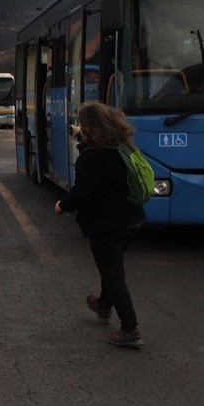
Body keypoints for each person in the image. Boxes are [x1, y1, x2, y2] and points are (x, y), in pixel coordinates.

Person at [55, 101, 147, 348]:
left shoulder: (91, 157)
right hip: (132, 219)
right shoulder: (120, 145)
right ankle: (104, 305)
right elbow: (100, 157)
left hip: (106, 224)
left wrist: (62, 205)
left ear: (88, 127)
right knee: (112, 266)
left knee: (113, 273)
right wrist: (81, 137)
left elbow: (83, 191)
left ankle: (130, 329)